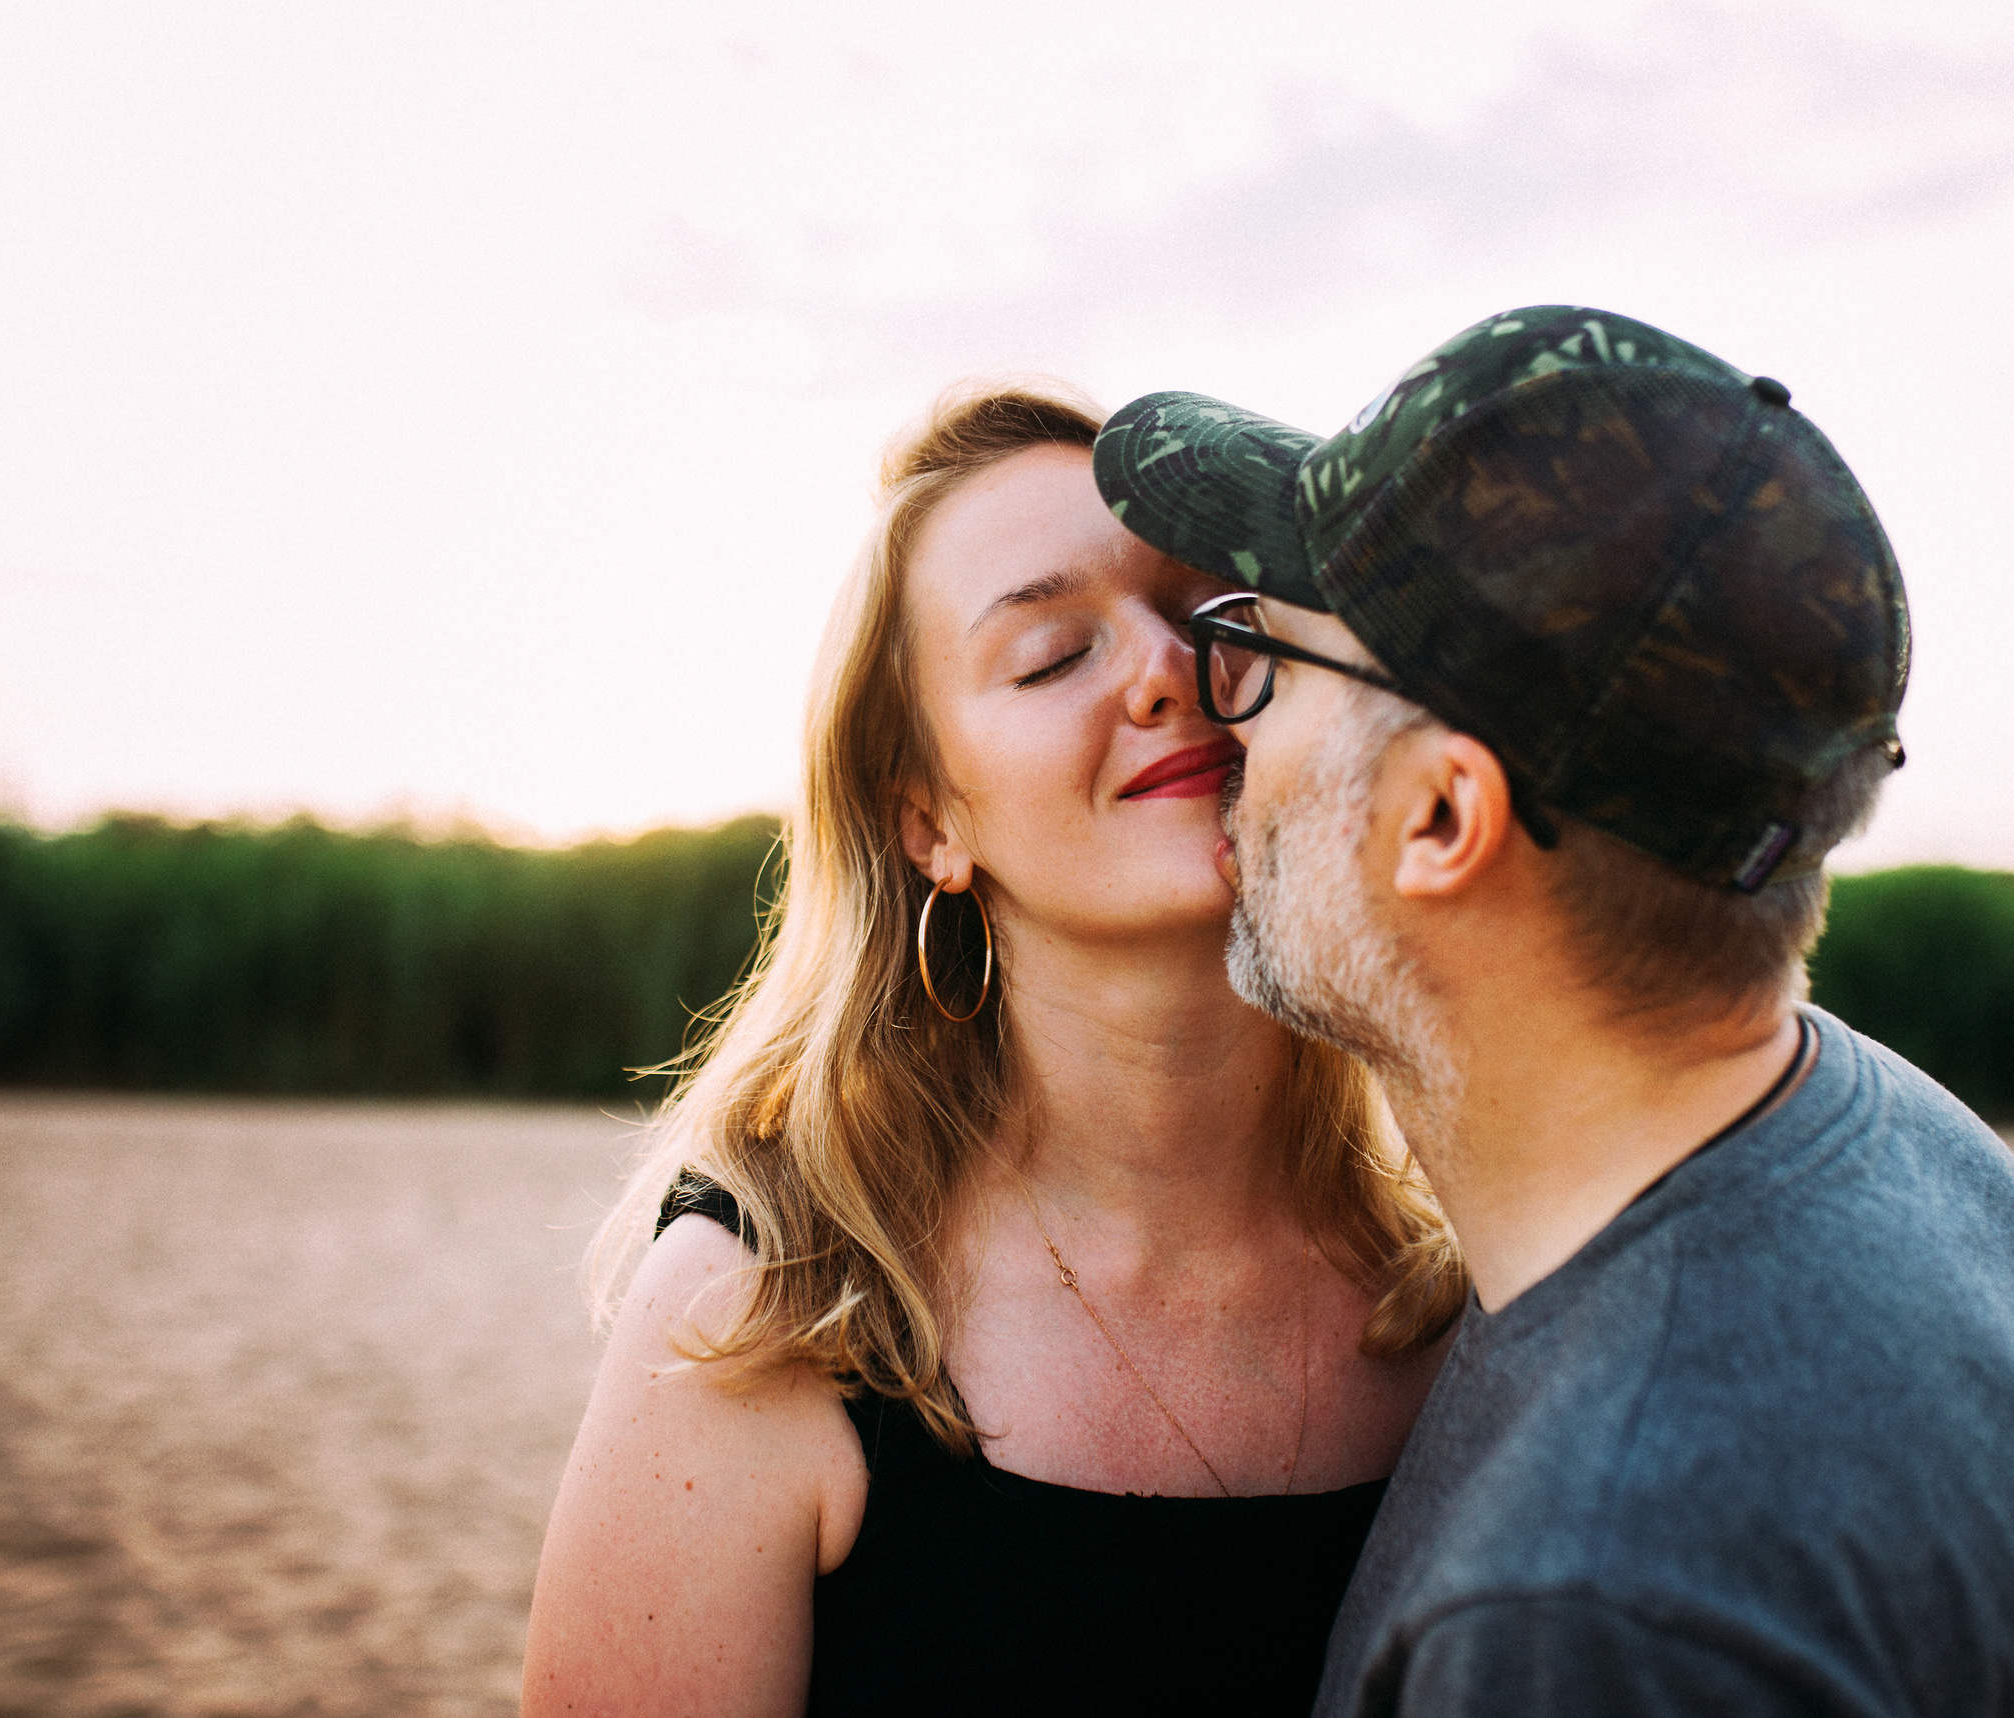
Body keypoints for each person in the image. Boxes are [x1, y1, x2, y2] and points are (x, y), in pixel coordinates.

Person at [1090, 305, 2014, 1717]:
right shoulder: (1911, 1146)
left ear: (1440, 818)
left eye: (1266, 659)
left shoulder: (1589, 1606)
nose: (1218, 725)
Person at [521, 382, 1463, 1718]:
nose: (1165, 669)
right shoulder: (767, 1315)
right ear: (930, 824)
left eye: (1211, 610)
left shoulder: (1468, 1285)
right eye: (1051, 655)